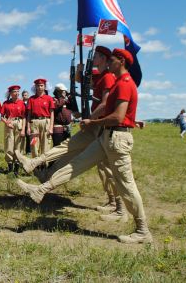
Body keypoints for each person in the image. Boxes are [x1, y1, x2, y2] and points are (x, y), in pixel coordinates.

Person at [16, 48, 152, 244]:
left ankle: (142, 230)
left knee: (127, 185)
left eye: (112, 59)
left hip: (116, 139)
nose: (110, 63)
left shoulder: (124, 84)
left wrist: (93, 122)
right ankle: (42, 189)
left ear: (120, 61)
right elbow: (118, 111)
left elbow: (118, 116)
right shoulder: (118, 83)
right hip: (107, 136)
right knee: (76, 164)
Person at [16, 45, 120, 213]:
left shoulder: (107, 77)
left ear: (103, 59)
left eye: (96, 56)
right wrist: (78, 70)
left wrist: (91, 119)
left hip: (99, 126)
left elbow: (105, 103)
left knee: (104, 167)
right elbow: (81, 81)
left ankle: (116, 203)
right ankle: (35, 163)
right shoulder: (100, 76)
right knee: (69, 147)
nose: (93, 58)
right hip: (95, 126)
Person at [1, 85, 26, 175]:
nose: (17, 93)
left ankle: (17, 167)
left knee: (18, 145)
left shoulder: (22, 103)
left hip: (18, 123)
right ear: (10, 93)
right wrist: (6, 123)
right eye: (14, 92)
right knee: (9, 145)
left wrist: (23, 129)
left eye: (18, 91)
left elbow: (24, 117)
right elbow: (2, 117)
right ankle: (10, 167)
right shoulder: (6, 103)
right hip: (9, 123)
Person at [27, 78, 54, 158]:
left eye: (41, 85)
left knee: (45, 144)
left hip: (46, 121)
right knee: (34, 144)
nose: (40, 87)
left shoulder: (49, 98)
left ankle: (44, 165)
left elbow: (52, 113)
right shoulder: (31, 99)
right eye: (38, 86)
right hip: (34, 122)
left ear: (45, 87)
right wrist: (28, 127)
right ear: (35, 87)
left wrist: (51, 127)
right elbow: (28, 114)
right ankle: (36, 165)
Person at [21, 90, 31, 154]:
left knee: (29, 137)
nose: (25, 96)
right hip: (22, 121)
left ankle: (28, 150)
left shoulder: (30, 102)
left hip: (29, 121)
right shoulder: (20, 102)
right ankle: (21, 150)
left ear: (28, 95)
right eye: (24, 95)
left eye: (26, 95)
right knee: (22, 137)